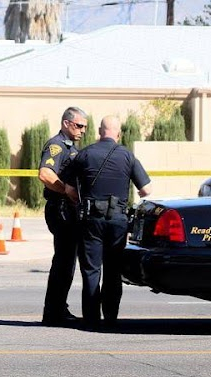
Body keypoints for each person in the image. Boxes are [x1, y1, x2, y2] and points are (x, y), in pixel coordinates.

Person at [63, 115, 152, 328]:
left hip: (91, 220)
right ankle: (111, 317)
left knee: (91, 270)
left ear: (99, 132)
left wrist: (80, 202)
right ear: (118, 133)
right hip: (118, 221)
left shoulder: (85, 154)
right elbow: (146, 190)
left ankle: (91, 318)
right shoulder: (127, 156)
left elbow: (69, 189)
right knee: (113, 270)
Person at [38, 106, 87, 326]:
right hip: (61, 209)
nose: (82, 130)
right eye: (78, 125)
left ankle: (58, 307)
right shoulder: (57, 145)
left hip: (69, 210)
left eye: (85, 126)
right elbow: (45, 173)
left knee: (66, 262)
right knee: (64, 261)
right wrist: (66, 189)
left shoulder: (71, 147)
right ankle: (54, 311)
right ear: (66, 123)